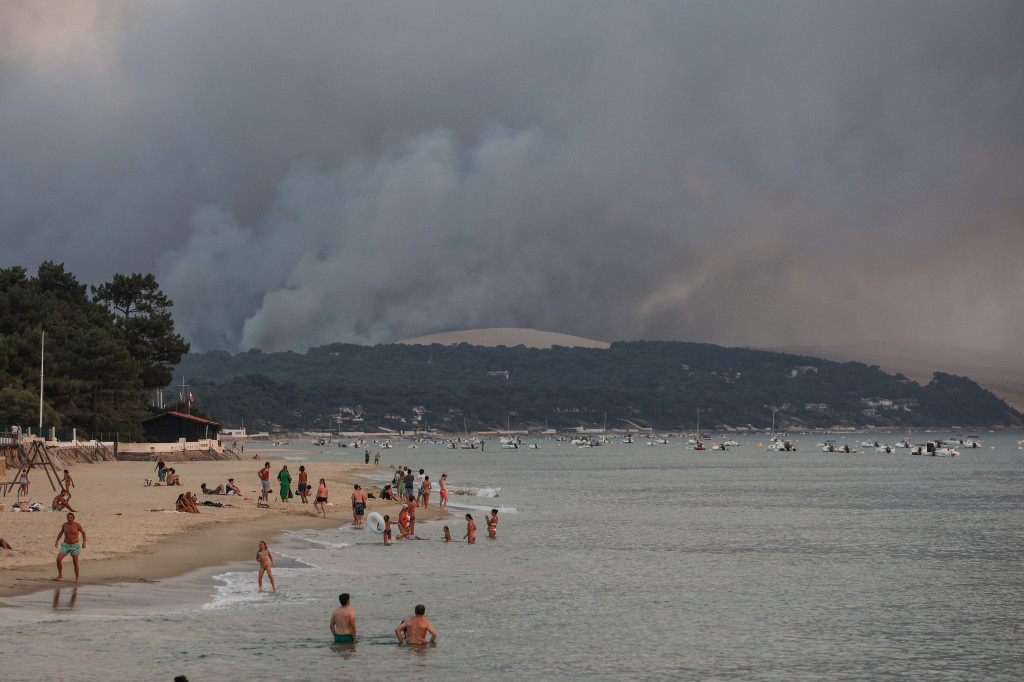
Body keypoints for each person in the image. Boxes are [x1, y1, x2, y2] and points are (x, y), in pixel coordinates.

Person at [55, 512, 86, 582]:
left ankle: (77, 577)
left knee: (75, 562)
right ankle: (60, 574)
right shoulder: (64, 525)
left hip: (74, 545)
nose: (70, 519)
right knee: (58, 559)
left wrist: (84, 542)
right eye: (68, 518)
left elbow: (83, 533)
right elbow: (61, 533)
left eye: (71, 518)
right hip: (66, 545)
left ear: (73, 518)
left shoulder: (77, 525)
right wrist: (57, 541)